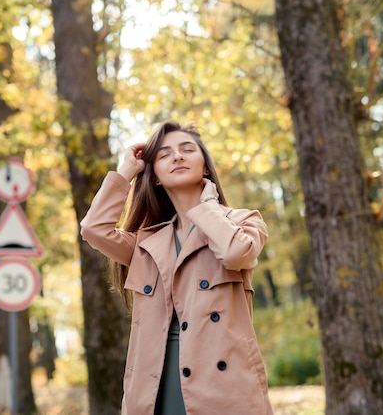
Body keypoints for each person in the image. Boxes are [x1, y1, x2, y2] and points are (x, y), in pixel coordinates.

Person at [80, 120, 274, 415]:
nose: (178, 157)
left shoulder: (242, 222)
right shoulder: (145, 245)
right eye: (164, 154)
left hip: (224, 393)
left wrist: (207, 207)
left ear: (206, 168)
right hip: (155, 391)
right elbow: (94, 230)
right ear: (155, 176)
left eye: (187, 149)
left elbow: (236, 254)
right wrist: (126, 172)